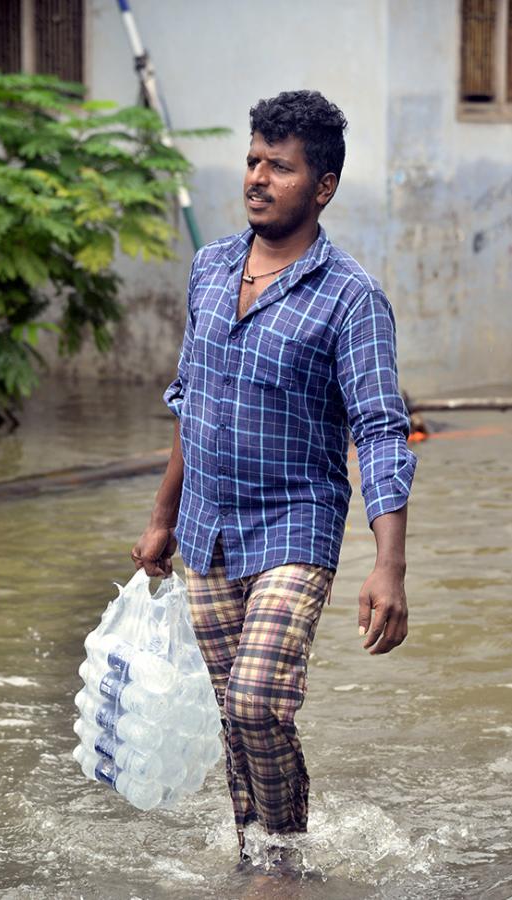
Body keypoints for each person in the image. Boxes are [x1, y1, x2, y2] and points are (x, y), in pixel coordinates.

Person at [131, 90, 417, 859]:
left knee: (258, 699)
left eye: (279, 167)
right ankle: (257, 849)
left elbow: (381, 432)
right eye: (253, 161)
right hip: (207, 529)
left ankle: (284, 853)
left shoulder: (350, 298)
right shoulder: (211, 266)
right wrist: (163, 516)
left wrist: (388, 566)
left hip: (294, 526)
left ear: (320, 186)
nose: (257, 178)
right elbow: (192, 400)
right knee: (235, 712)